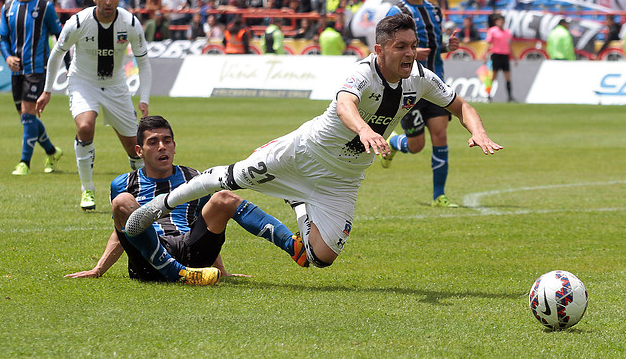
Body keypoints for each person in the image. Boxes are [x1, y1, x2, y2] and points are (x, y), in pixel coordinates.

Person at [126, 14, 503, 269]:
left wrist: (478, 130)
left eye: (412, 45)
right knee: (228, 178)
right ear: (380, 50)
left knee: (319, 259)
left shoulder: (421, 77)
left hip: (344, 178)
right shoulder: (363, 73)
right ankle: (161, 204)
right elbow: (344, 105)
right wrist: (365, 130)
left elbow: (461, 105)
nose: (409, 53)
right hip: (304, 153)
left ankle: (299, 200)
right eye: (401, 46)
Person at [65, 116, 308, 284]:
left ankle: (294, 246)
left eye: (167, 141)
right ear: (139, 151)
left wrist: (221, 270)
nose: (162, 147)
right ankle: (177, 273)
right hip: (148, 260)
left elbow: (207, 224)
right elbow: (122, 232)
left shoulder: (193, 178)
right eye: (153, 142)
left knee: (223, 197)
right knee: (122, 202)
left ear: (174, 145)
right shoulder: (122, 184)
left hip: (191, 251)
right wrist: (99, 268)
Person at [36, 0, 153, 211]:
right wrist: (47, 91)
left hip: (116, 86)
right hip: (83, 82)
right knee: (85, 126)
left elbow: (144, 62)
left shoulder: (130, 22)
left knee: (134, 147)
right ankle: (87, 189)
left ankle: (144, 190)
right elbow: (57, 54)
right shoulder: (78, 22)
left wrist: (144, 98)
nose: (108, 1)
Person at [382, 0, 461, 208]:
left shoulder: (434, 10)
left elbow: (435, 47)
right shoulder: (395, 13)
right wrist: (414, 55)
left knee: (440, 135)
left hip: (436, 84)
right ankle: (393, 143)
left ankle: (439, 195)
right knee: (416, 146)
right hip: (410, 87)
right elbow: (385, 49)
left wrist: (449, 47)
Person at [0, 0, 64, 176]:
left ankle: (24, 163)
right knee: (27, 118)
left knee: (28, 114)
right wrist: (7, 57)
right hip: (16, 71)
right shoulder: (8, 8)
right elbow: (3, 39)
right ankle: (52, 151)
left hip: (37, 69)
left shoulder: (44, 6)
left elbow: (60, 35)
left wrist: (66, 62)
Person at [483, 14, 517, 102]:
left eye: (502, 21)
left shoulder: (507, 32)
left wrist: (515, 57)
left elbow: (510, 46)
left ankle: (510, 96)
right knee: (493, 77)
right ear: (496, 22)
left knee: (508, 77)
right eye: (499, 21)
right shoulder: (492, 31)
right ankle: (488, 95)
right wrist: (485, 55)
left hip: (505, 56)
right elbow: (489, 44)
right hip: (496, 55)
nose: (501, 23)